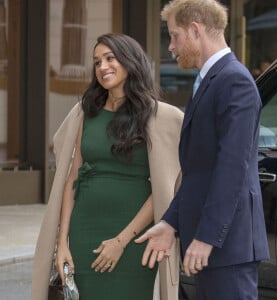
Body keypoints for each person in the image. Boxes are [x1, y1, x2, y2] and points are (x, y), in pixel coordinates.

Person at [31, 33, 183, 300]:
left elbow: (162, 191)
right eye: (97, 61)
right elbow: (72, 179)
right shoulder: (85, 112)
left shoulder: (157, 116)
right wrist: (62, 242)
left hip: (134, 239)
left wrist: (121, 241)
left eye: (110, 58)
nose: (102, 67)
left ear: (130, 61)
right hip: (84, 232)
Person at [135, 1, 270, 299]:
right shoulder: (212, 80)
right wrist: (170, 222)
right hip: (211, 248)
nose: (171, 47)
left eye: (175, 36)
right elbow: (199, 172)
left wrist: (206, 238)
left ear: (195, 30)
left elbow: (232, 169)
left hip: (227, 249)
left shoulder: (234, 81)